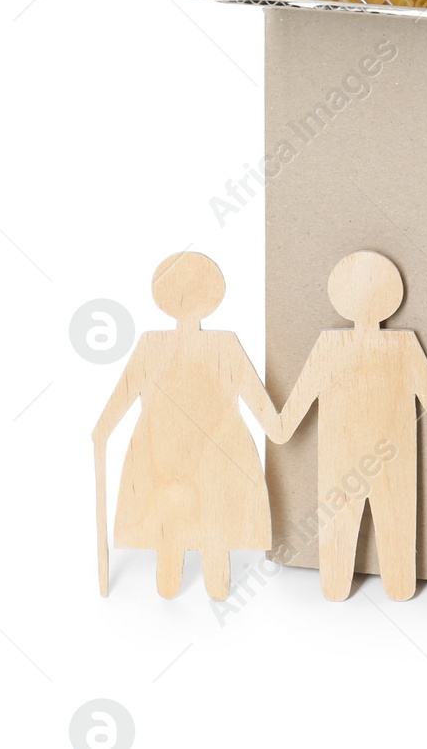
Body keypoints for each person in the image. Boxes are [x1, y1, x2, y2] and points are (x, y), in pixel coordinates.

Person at [275, 250, 427, 601]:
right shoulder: (396, 346)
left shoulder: (340, 346)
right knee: (386, 544)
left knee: (356, 543)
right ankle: (390, 588)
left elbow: (287, 421)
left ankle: (373, 587)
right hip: (382, 461)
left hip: (364, 462)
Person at [93, 252, 281, 599]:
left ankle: (175, 585)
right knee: (211, 526)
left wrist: (101, 432)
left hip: (172, 456)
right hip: (208, 456)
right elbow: (268, 418)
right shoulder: (221, 345)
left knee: (179, 528)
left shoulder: (155, 345)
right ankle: (210, 588)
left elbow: (115, 408)